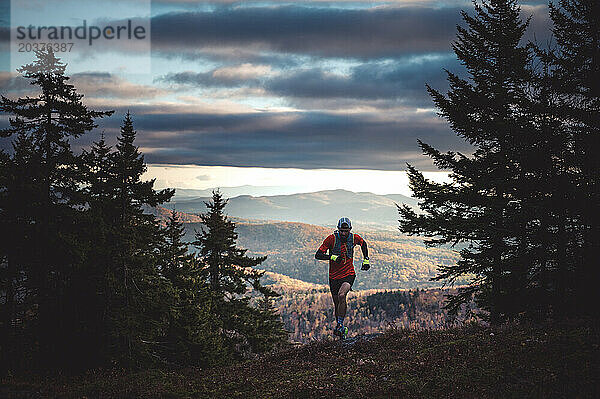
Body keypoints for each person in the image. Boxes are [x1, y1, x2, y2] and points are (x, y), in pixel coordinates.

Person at [315, 217, 370, 339]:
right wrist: (333, 257)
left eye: (346, 231)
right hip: (334, 277)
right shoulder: (331, 239)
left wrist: (366, 260)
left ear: (350, 229)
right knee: (337, 304)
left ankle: (339, 324)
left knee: (341, 295)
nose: (344, 233)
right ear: (338, 229)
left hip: (348, 274)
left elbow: (363, 244)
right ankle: (340, 327)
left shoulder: (354, 238)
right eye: (342, 231)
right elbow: (318, 255)